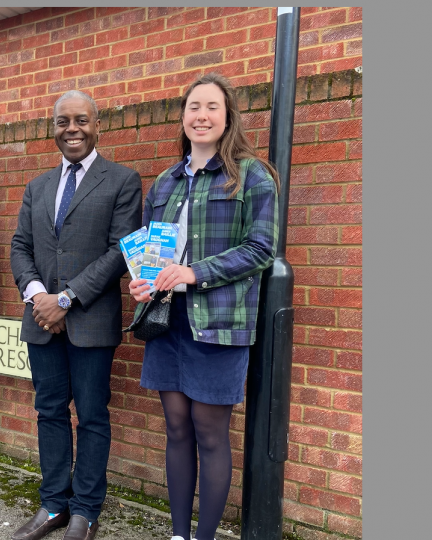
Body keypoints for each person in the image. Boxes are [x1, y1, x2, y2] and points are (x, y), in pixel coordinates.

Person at [128, 73, 280, 540]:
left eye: (212, 107)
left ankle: (206, 536)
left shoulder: (250, 175)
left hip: (219, 325)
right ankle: (179, 534)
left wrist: (195, 272)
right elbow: (152, 254)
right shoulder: (165, 182)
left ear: (227, 115)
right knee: (176, 429)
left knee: (210, 434)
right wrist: (143, 281)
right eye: (194, 107)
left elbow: (262, 249)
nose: (202, 116)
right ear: (183, 116)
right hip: (167, 322)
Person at [10, 90, 142, 540]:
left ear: (97, 125)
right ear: (53, 127)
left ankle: (85, 509)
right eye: (63, 121)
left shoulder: (122, 180)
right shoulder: (38, 186)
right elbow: (20, 247)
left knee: (91, 416)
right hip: (41, 321)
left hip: (90, 322)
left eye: (81, 120)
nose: (72, 129)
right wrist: (38, 295)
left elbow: (120, 252)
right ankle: (53, 506)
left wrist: (65, 299)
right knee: (48, 412)